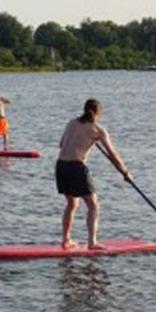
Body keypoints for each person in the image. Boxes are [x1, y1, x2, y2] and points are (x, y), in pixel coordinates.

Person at [56, 98, 130, 250]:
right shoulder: (98, 129)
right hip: (76, 166)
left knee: (72, 204)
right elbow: (113, 154)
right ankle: (92, 242)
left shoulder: (71, 123)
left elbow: (61, 144)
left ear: (84, 110)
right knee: (94, 205)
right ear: (98, 113)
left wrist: (82, 142)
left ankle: (66, 240)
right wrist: (125, 172)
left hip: (61, 165)